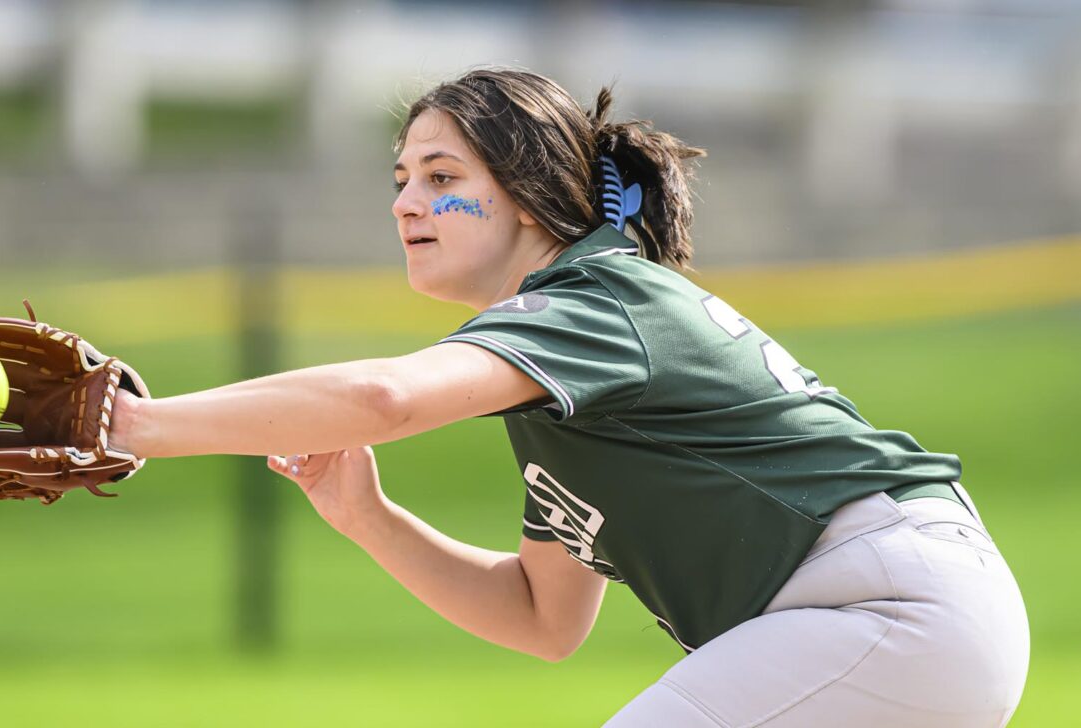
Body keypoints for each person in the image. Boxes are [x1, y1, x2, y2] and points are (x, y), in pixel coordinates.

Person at [107, 68, 1029, 727]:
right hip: (889, 620)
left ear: (529, 196)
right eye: (401, 181)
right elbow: (542, 619)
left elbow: (384, 397)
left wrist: (136, 424)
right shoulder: (569, 360)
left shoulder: (599, 304)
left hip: (883, 610)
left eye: (441, 178)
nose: (405, 204)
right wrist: (371, 519)